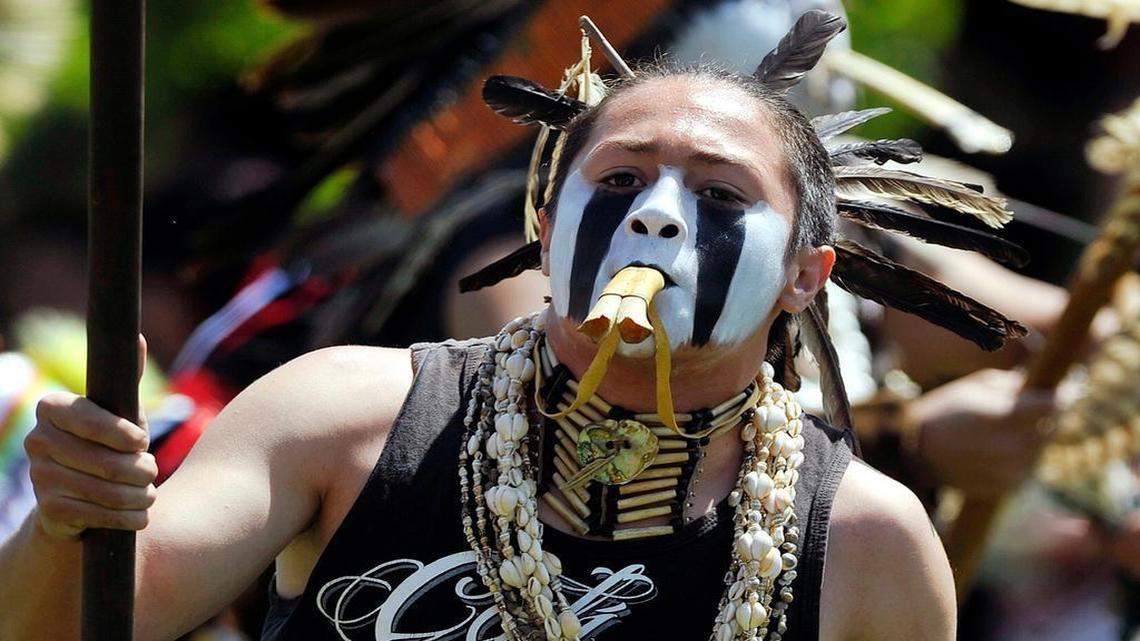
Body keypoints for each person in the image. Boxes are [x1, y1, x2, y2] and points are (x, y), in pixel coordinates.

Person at [0, 59, 958, 640]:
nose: (657, 218)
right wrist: (67, 521)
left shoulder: (869, 541)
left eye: (719, 194)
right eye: (621, 177)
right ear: (547, 226)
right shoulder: (342, 418)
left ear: (805, 272)